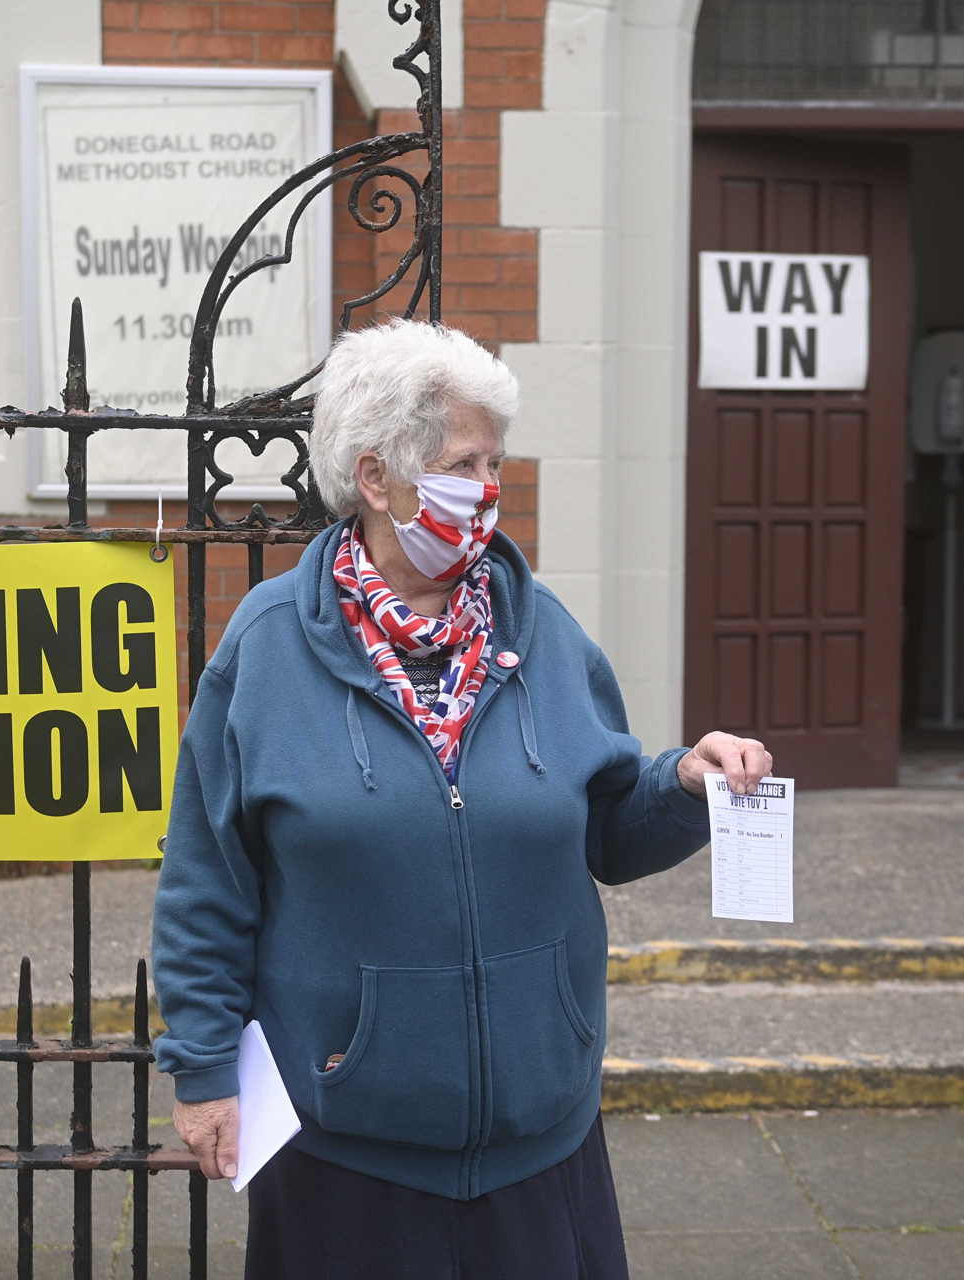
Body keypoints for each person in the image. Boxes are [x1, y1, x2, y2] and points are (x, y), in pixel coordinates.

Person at [151, 319, 773, 1278]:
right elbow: (206, 882)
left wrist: (686, 783)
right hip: (344, 1155)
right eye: (462, 464)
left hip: (538, 1146)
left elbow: (607, 824)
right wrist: (200, 1074)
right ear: (374, 478)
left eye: (497, 463)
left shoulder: (545, 631)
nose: (488, 491)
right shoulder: (268, 648)